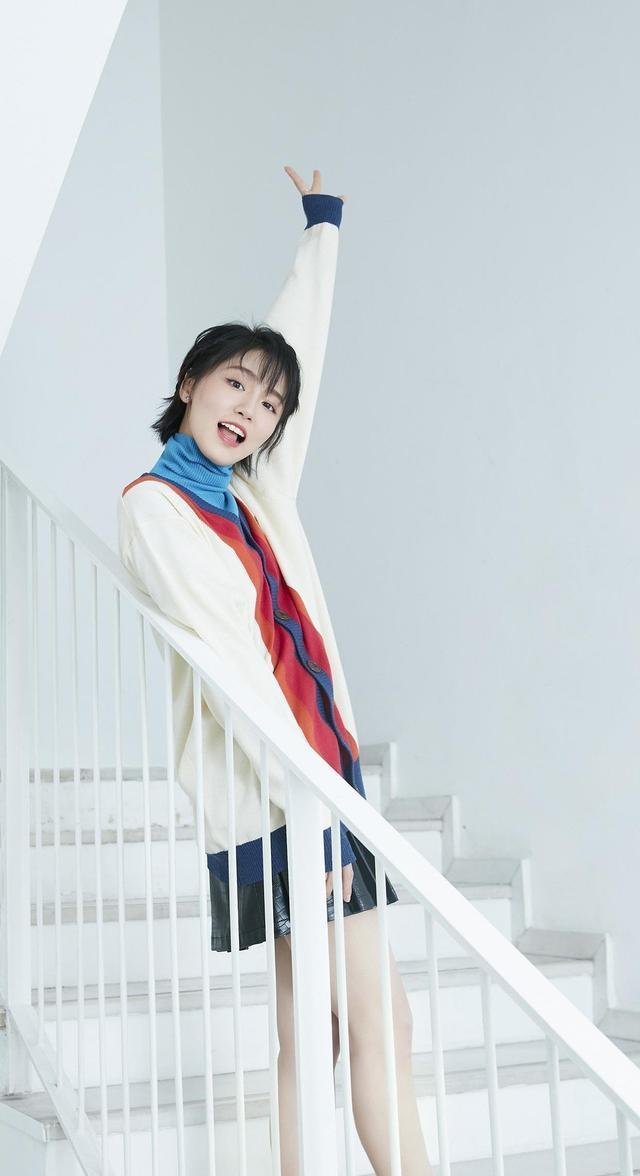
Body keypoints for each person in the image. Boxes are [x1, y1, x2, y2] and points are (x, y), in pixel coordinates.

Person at [118, 166, 433, 1175]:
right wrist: (316, 813)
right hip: (284, 801)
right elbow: (233, 672)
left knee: (324, 1036)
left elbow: (301, 356)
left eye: (267, 404)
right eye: (233, 385)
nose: (251, 409)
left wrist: (321, 232)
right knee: (376, 1025)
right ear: (189, 384)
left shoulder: (256, 494)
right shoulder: (156, 507)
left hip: (314, 791)